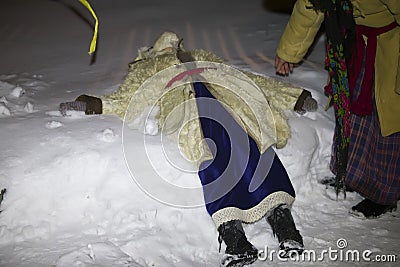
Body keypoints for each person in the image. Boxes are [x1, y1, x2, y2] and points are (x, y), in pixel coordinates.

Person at [60, 31, 318, 266]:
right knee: (214, 162)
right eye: (166, 44)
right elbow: (130, 97)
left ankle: (285, 227)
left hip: (227, 106)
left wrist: (293, 96)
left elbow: (243, 79)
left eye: (174, 44)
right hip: (192, 115)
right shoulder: (151, 68)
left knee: (258, 151)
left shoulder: (200, 58)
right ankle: (237, 242)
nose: (171, 44)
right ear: (153, 51)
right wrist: (94, 104)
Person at [275, 0, 400, 219]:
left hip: (391, 46)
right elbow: (310, 5)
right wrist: (289, 52)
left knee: (385, 117)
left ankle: (384, 194)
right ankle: (353, 175)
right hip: (357, 40)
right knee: (352, 109)